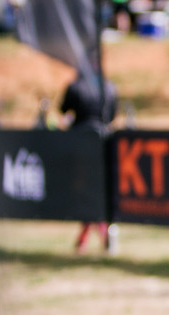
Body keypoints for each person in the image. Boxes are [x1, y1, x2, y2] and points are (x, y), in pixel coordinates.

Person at [60, 71, 118, 254]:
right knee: (96, 193)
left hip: (81, 146)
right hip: (103, 145)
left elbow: (62, 109)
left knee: (88, 194)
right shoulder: (109, 86)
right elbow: (112, 116)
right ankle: (97, 236)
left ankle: (92, 236)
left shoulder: (76, 86)